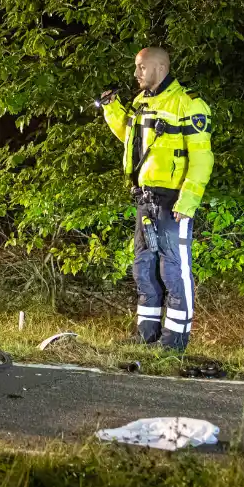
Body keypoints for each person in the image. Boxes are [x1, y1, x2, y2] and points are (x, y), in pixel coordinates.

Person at [99, 47, 214, 350]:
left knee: (174, 270)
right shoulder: (141, 102)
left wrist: (187, 201)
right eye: (136, 68)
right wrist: (111, 107)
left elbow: (202, 159)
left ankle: (174, 343)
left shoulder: (188, 104)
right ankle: (146, 336)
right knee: (144, 268)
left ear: (160, 67)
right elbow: (131, 137)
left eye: (141, 68)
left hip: (172, 201)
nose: (136, 74)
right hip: (144, 198)